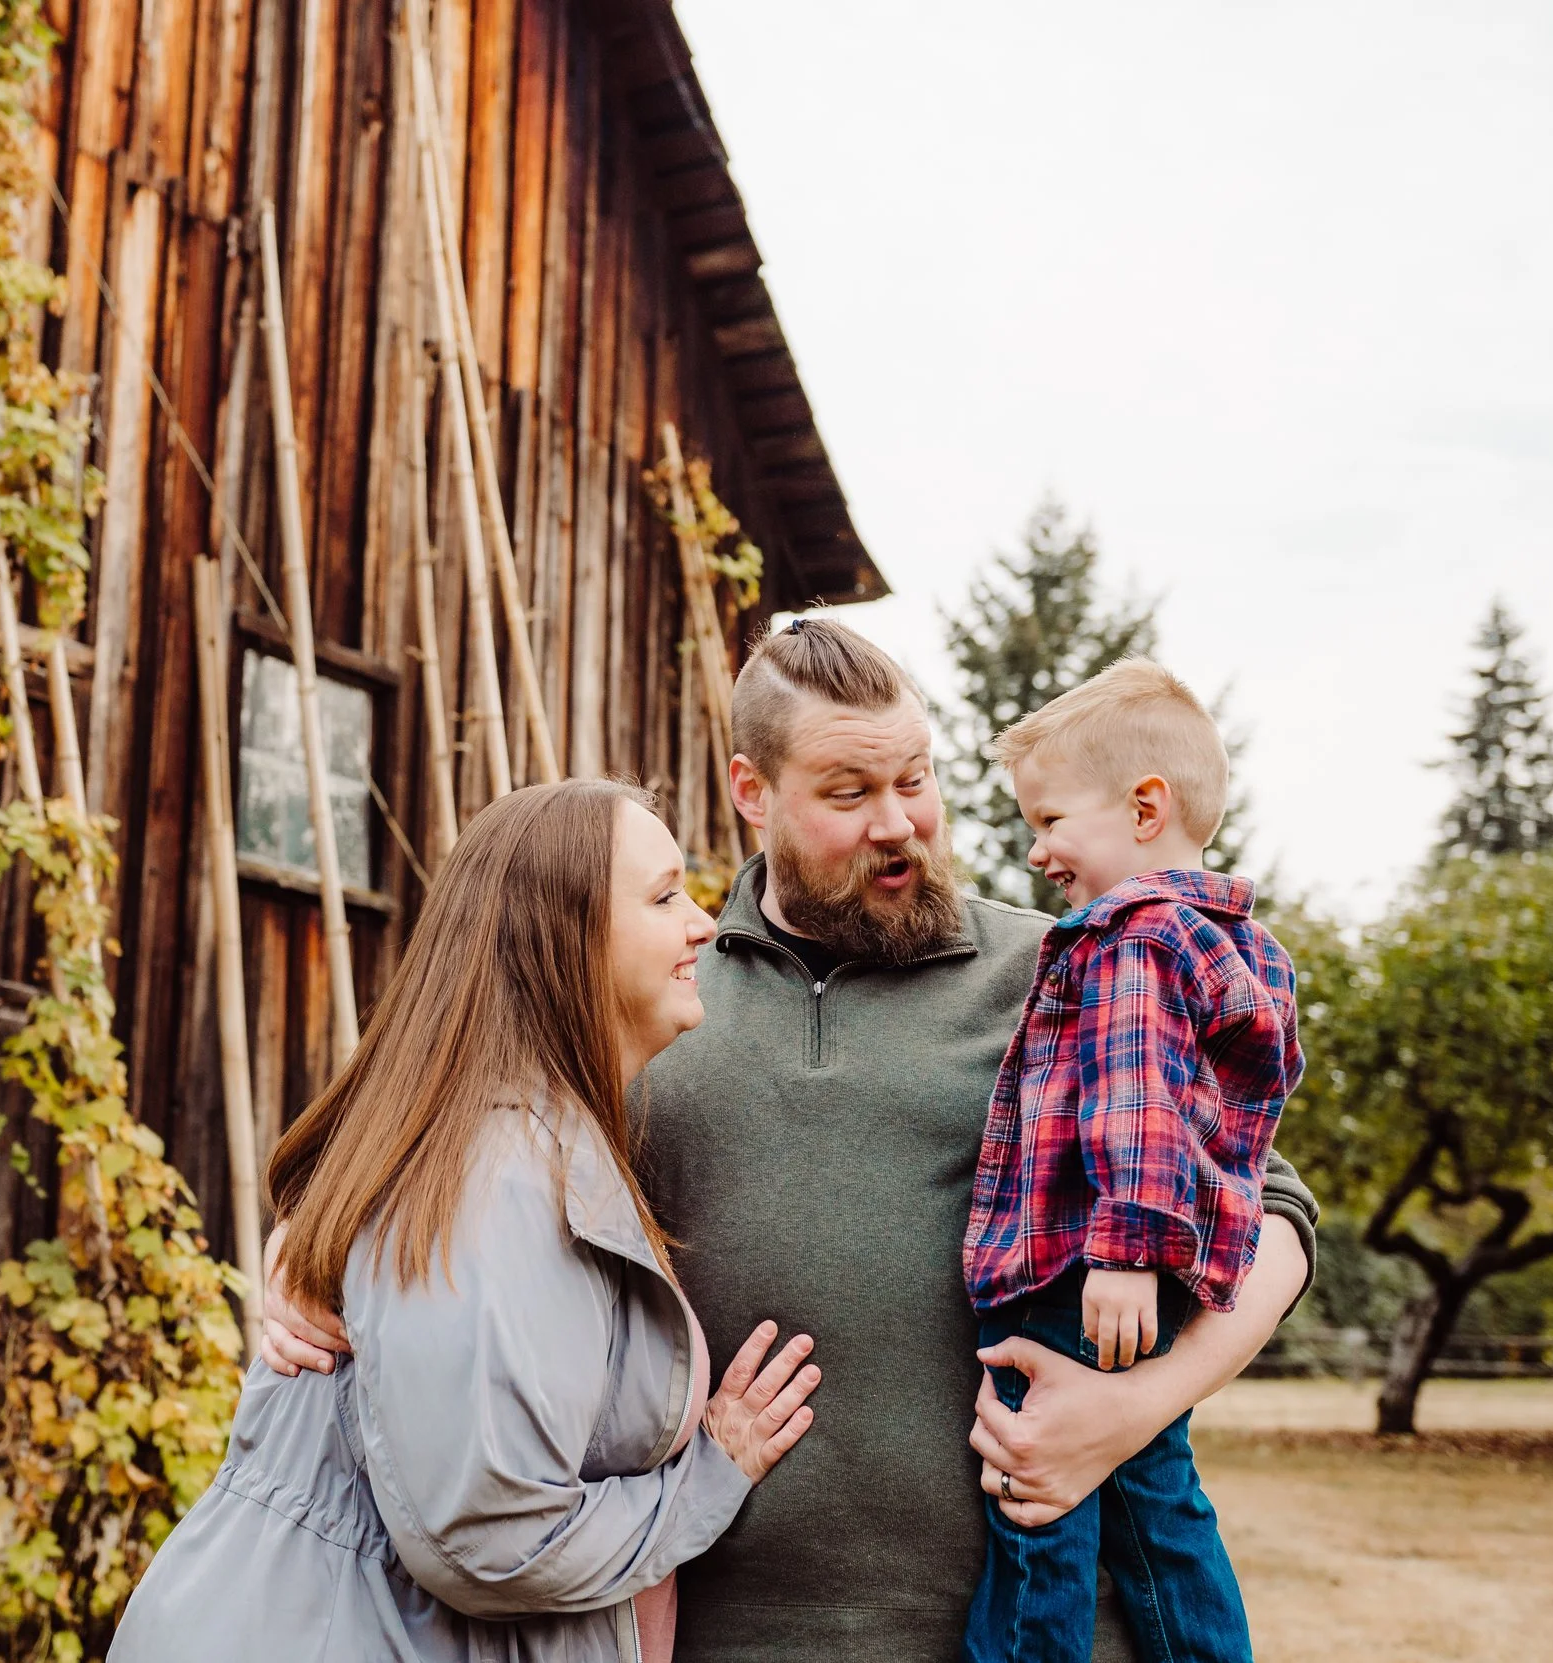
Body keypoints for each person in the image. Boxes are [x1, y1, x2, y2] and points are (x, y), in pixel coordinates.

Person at [263, 619, 1320, 1663]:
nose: (899, 822)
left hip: (1040, 1631)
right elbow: (429, 1155)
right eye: (849, 793)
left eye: (915, 779)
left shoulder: (1070, 970)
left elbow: (1267, 1203)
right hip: (722, 1634)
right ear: (751, 791)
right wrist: (298, 1266)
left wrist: (1135, 1406)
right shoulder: (653, 995)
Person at [113, 779, 824, 1663]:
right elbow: (488, 1540)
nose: (703, 926)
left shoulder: (499, 1142)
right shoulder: (500, 1175)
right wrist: (712, 1470)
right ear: (567, 938)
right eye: (665, 894)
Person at [959, 659, 1302, 1663]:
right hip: (1164, 1281)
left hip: (1076, 1269)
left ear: (1145, 805)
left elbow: (1136, 1098)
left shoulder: (1126, 938)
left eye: (1052, 818)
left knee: (1036, 1509)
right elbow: (1243, 1120)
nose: (1036, 849)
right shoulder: (1246, 943)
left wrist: (1125, 1251)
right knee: (1157, 1506)